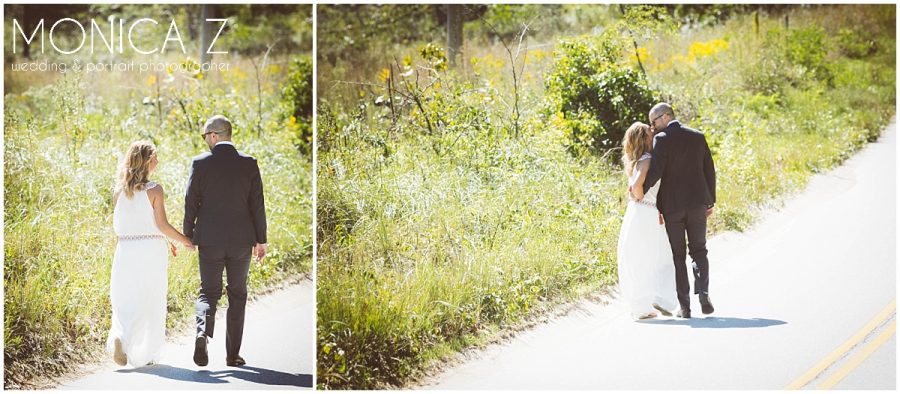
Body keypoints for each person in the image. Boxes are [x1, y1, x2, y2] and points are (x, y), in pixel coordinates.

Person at [185, 115, 267, 367]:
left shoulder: (200, 164)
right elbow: (257, 204)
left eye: (205, 136)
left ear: (213, 135)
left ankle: (202, 334)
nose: (205, 142)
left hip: (209, 240)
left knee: (208, 292)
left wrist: (188, 234)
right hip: (242, 241)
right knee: (237, 294)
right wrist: (261, 240)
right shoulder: (249, 164)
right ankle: (232, 355)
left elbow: (191, 202)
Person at [108, 141, 193, 367]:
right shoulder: (154, 189)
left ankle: (122, 337)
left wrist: (163, 238)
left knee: (126, 297)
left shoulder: (118, 191)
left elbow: (129, 223)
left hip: (125, 250)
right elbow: (161, 224)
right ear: (146, 161)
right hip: (151, 252)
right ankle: (144, 353)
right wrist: (185, 240)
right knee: (150, 298)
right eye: (155, 158)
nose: (157, 162)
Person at [640, 103, 717, 319]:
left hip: (672, 207)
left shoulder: (661, 140)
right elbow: (709, 170)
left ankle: (685, 307)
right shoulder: (697, 136)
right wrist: (710, 201)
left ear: (665, 117)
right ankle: (703, 293)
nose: (652, 128)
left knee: (678, 256)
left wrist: (640, 194)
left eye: (653, 123)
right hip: (697, 204)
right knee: (699, 251)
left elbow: (655, 173)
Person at [617, 122, 679, 320]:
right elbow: (636, 186)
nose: (653, 132)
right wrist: (639, 195)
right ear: (643, 138)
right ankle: (651, 302)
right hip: (645, 212)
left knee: (639, 256)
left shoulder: (638, 159)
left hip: (639, 211)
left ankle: (643, 304)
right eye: (649, 131)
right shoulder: (647, 159)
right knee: (651, 256)